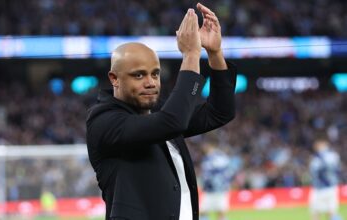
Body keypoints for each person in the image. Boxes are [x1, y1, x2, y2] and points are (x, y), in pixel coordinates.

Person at [86, 3, 237, 220]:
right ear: (114, 79)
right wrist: (191, 55)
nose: (150, 82)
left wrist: (214, 53)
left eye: (155, 74)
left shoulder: (157, 115)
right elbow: (173, 121)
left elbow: (220, 112)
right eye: (139, 75)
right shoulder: (103, 120)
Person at [200, 142, 237, 220]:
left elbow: (206, 175)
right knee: (221, 212)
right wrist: (227, 183)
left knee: (203, 211)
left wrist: (204, 184)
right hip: (222, 188)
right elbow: (230, 172)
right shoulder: (223, 157)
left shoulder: (208, 158)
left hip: (210, 189)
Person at [309, 136, 341, 220]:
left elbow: (314, 171)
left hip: (320, 188)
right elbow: (337, 169)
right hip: (332, 186)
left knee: (315, 212)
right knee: (332, 212)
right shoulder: (334, 156)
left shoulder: (317, 158)